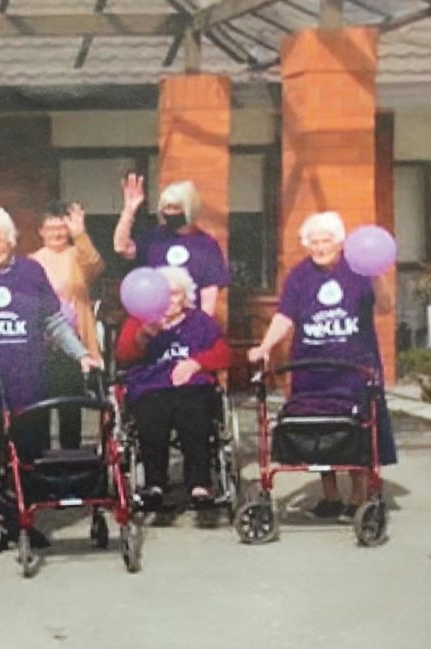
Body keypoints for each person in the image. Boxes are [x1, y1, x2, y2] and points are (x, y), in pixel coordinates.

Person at [0, 207, 100, 552]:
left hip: (28, 380)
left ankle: (22, 521)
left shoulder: (31, 271)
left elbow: (54, 320)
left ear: (12, 241)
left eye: (0, 239)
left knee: (29, 456)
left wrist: (81, 354)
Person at [247, 211, 397, 520]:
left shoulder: (359, 269)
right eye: (313, 242)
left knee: (356, 426)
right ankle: (329, 495)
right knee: (317, 426)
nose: (319, 247)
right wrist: (264, 346)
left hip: (355, 366)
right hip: (311, 365)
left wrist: (378, 272)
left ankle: (358, 494)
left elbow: (386, 305)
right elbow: (285, 316)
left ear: (339, 242)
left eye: (325, 240)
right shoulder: (300, 275)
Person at [115, 266, 231, 510]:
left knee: (195, 414)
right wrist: (143, 337)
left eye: (176, 294)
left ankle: (199, 484)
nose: (169, 300)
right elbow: (123, 357)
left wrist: (196, 362)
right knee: (151, 415)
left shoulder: (200, 321)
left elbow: (224, 353)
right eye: (163, 294)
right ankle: (155, 483)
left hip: (192, 386)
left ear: (186, 296)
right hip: (151, 386)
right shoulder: (139, 320)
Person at [31, 200, 105, 449]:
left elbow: (95, 265)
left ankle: (72, 461)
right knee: (40, 407)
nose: (56, 234)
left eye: (61, 228)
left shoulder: (77, 255)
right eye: (50, 228)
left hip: (75, 346)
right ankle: (39, 464)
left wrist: (80, 233)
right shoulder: (32, 262)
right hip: (42, 347)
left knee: (70, 407)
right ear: (41, 231)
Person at [113, 175, 229, 317]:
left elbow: (209, 298)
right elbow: (121, 247)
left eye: (175, 208)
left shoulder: (206, 246)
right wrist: (129, 209)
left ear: (189, 209)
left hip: (189, 323)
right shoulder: (154, 238)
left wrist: (200, 329)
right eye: (166, 208)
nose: (170, 213)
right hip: (153, 322)